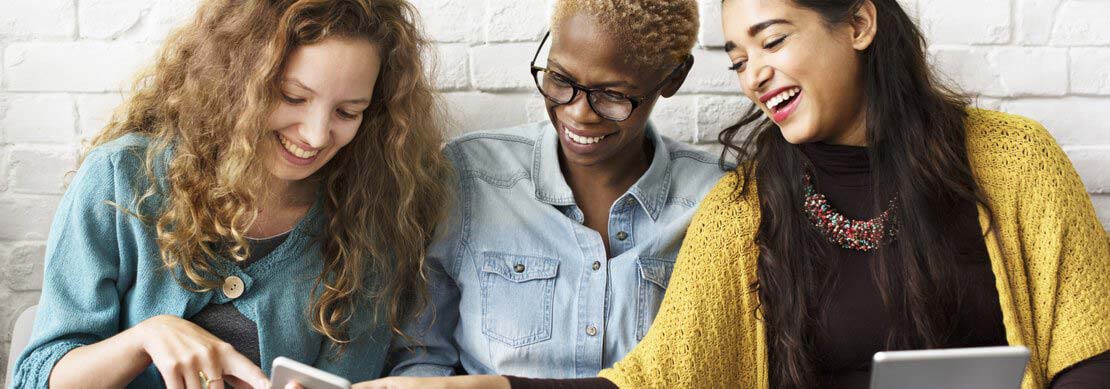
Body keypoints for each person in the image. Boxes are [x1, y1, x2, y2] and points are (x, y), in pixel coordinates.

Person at [370, 0, 1110, 388]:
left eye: (773, 39)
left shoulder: (1014, 163)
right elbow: (651, 382)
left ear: (857, 21)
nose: (754, 73)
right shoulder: (745, 208)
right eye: (740, 56)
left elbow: (1091, 356)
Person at [11, 0, 449, 387]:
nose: (316, 136)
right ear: (238, 81)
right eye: (292, 97)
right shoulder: (122, 178)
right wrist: (147, 338)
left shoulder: (374, 213)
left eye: (347, 112)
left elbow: (348, 379)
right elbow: (37, 378)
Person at [383, 0, 726, 384]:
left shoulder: (717, 200)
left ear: (673, 79)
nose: (578, 113)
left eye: (612, 94)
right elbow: (422, 357)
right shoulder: (470, 175)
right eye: (560, 79)